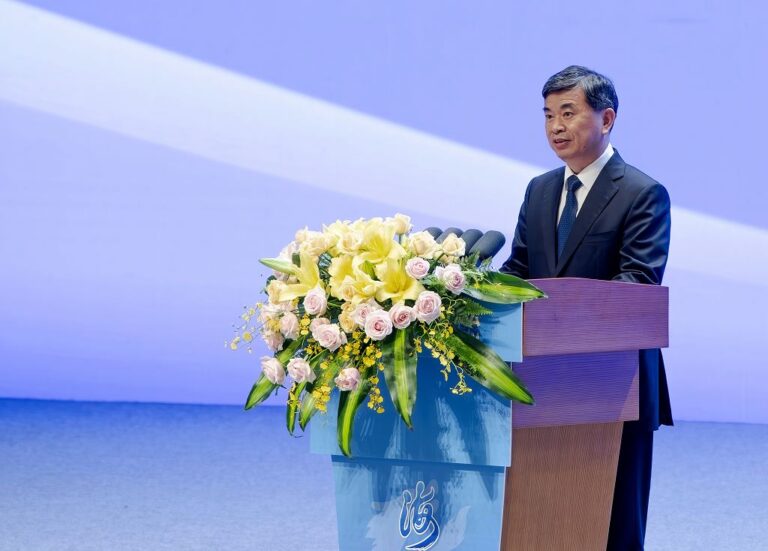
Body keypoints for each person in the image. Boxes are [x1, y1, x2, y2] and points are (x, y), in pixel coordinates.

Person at [500, 65, 672, 550]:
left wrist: (562, 314)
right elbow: (518, 270)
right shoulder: (539, 190)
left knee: (615, 525)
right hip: (539, 380)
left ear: (607, 118)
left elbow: (637, 285)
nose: (555, 126)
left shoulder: (642, 193)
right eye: (548, 115)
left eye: (568, 113)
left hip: (616, 385)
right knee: (543, 518)